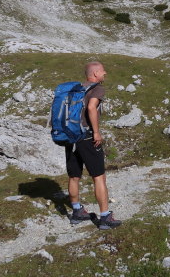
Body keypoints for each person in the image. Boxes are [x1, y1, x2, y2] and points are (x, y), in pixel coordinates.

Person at [67, 61, 122, 230]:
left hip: (70, 136)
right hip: (86, 137)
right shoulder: (96, 89)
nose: (105, 74)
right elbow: (91, 108)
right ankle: (105, 217)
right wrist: (96, 132)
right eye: (103, 72)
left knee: (74, 176)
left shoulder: (75, 89)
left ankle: (77, 211)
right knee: (98, 176)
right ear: (96, 73)